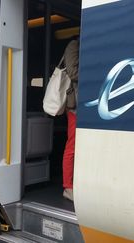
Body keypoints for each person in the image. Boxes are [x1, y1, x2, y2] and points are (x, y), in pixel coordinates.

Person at [62, 38, 79, 201]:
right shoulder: (74, 45)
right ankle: (67, 187)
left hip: (83, 105)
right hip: (75, 106)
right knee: (72, 147)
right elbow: (73, 73)